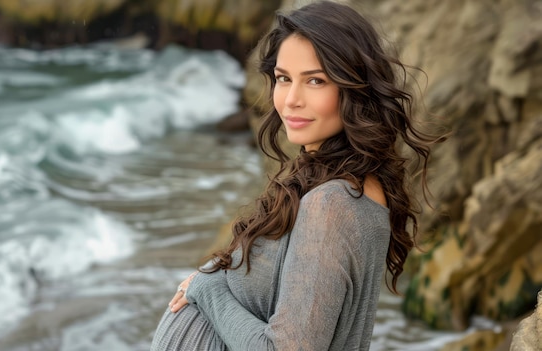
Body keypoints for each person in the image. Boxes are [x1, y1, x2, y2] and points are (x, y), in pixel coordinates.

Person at [150, 1, 441, 350]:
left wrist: (207, 290)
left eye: (315, 81)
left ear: (354, 89)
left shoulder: (334, 203)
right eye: (283, 79)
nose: (290, 100)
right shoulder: (337, 187)